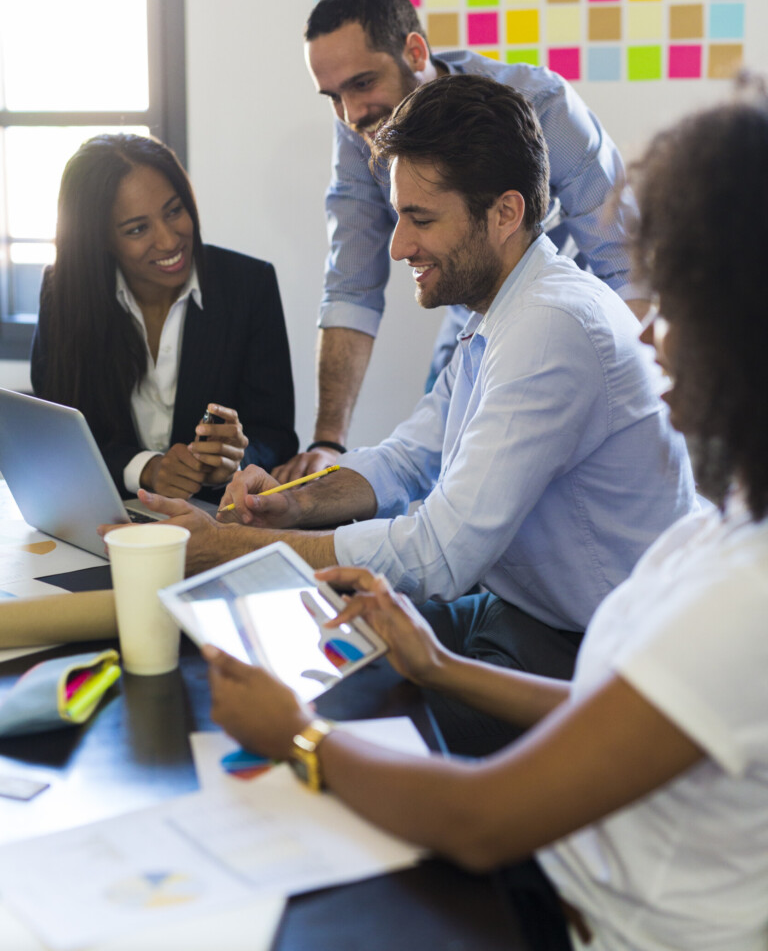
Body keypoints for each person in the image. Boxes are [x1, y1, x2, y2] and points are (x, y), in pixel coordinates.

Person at [203, 84, 768, 951]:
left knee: (333, 751)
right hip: (553, 766)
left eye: (675, 315)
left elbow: (478, 818)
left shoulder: (557, 330)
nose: (650, 343)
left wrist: (298, 736)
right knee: (360, 681)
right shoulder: (716, 526)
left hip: (584, 913)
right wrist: (430, 662)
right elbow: (412, 460)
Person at [130, 76, 694, 753]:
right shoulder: (507, 306)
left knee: (338, 712)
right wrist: (290, 504)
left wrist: (231, 547)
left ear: (505, 212)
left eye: (421, 219)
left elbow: (438, 553)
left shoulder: (550, 327)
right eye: (399, 216)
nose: (398, 247)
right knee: (293, 649)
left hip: (584, 654)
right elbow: (409, 458)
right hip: (512, 611)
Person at [277, 0, 648, 483]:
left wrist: (639, 405)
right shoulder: (361, 133)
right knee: (434, 470)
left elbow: (628, 269)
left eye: (362, 84)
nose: (352, 113)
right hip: (471, 327)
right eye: (332, 97)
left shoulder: (543, 104)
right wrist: (327, 443)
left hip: (573, 324)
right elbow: (351, 288)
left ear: (414, 52)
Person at [31, 133, 297, 502]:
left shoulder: (249, 285)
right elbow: (55, 437)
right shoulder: (64, 293)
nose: (170, 240)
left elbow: (277, 435)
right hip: (103, 514)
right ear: (101, 239)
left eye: (174, 211)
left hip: (218, 518)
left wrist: (233, 461)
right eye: (137, 229)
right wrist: (145, 468)